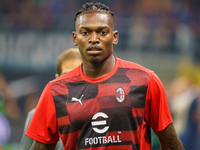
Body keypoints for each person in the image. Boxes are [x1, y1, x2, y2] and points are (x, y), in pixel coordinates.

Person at [26, 2, 184, 150]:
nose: (94, 39)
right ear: (75, 38)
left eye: (102, 32)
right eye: (85, 32)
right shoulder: (55, 90)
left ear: (115, 37)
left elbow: (171, 144)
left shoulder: (145, 80)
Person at [20, 48, 82, 150]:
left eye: (77, 75)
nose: (72, 81)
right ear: (57, 79)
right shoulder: (35, 116)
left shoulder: (98, 114)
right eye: (66, 75)